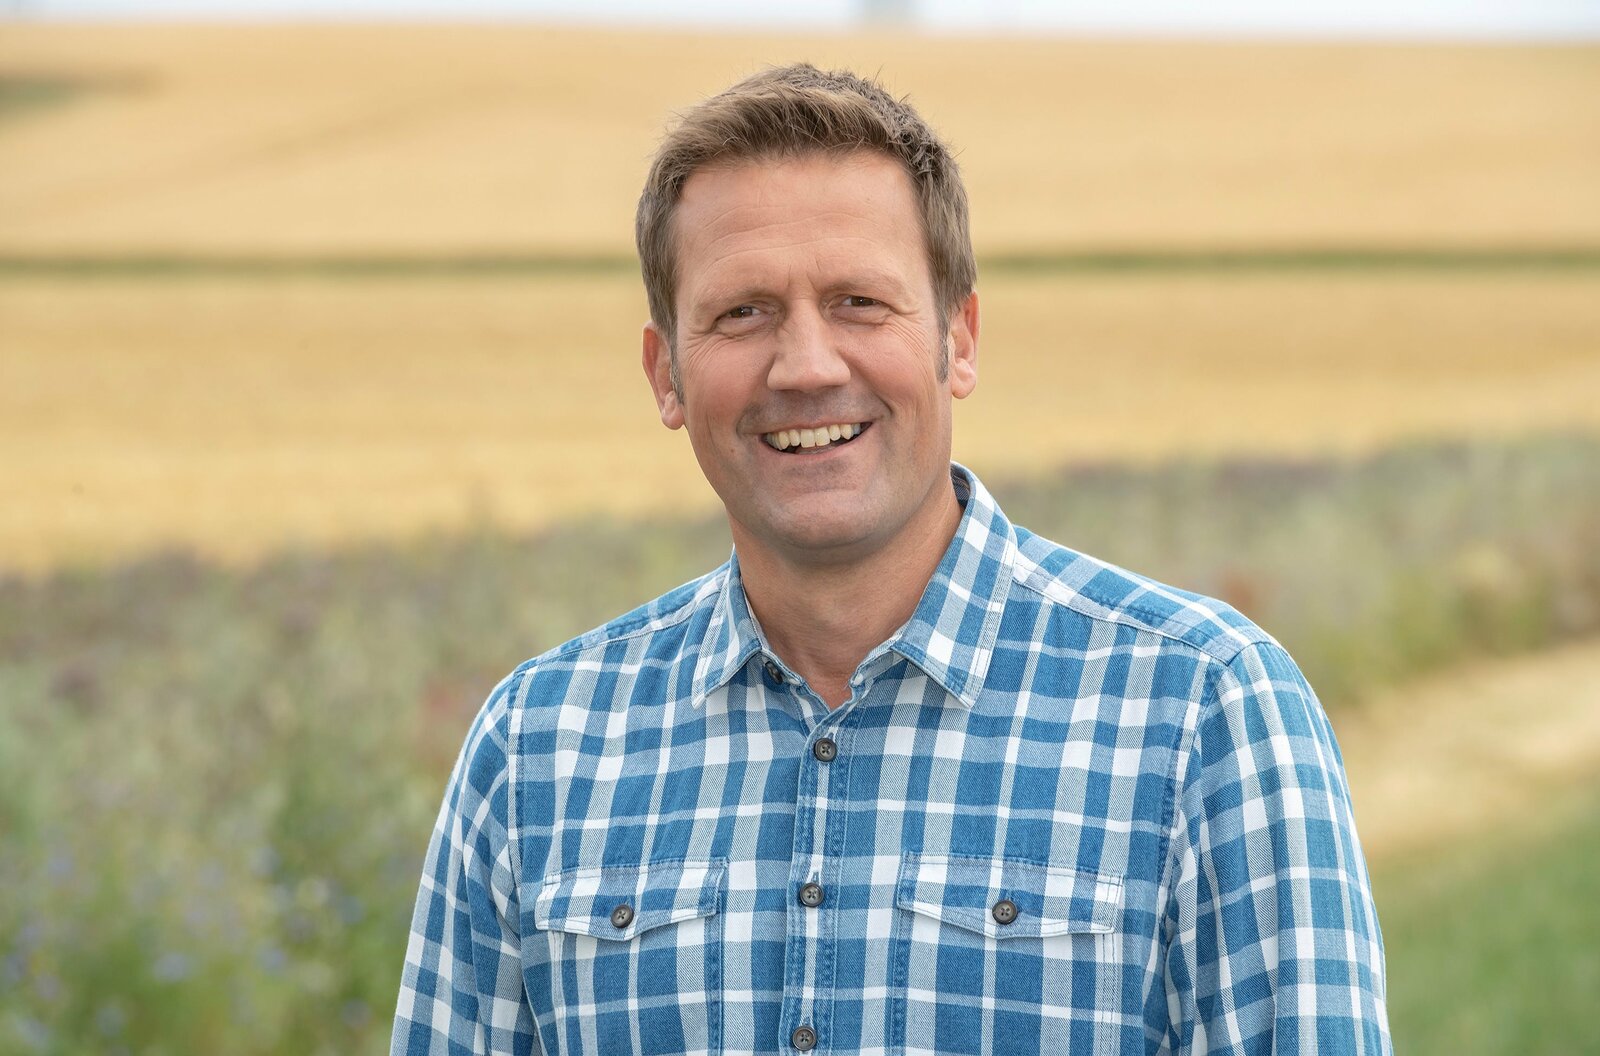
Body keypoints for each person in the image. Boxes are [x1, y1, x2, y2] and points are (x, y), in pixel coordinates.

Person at [391, 64, 1390, 1056]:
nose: (807, 365)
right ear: (668, 375)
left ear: (960, 339)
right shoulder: (536, 748)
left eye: (860, 302)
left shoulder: (1204, 712)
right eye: (742, 312)